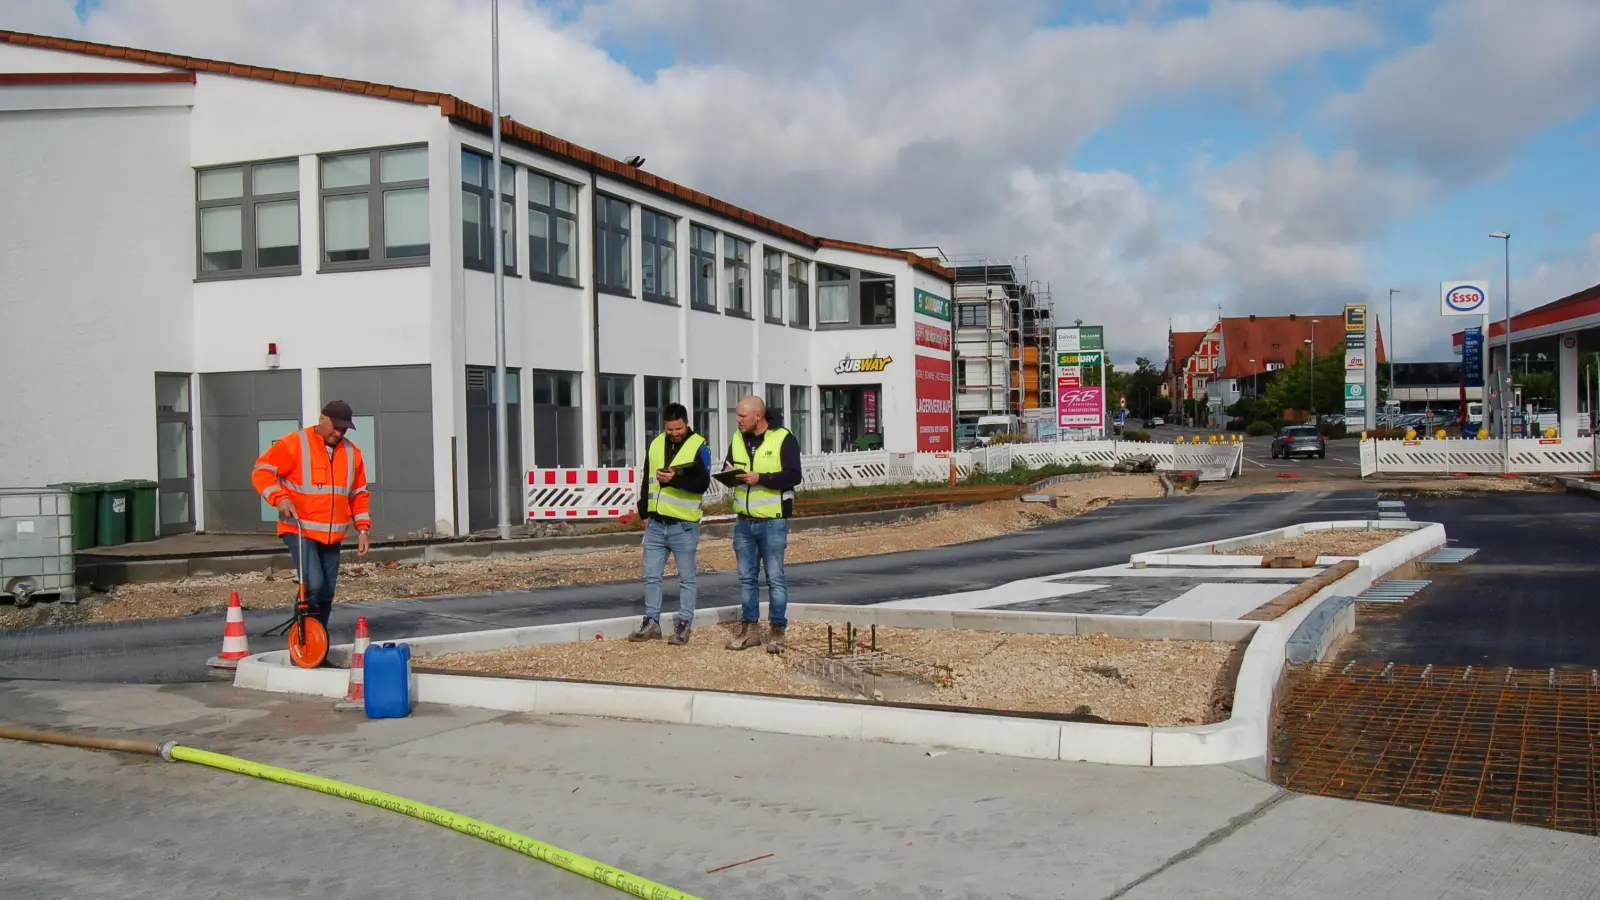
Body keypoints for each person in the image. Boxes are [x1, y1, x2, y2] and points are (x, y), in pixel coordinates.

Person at [251, 400, 372, 635]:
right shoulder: (295, 443)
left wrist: (363, 529)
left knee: (326, 592)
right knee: (314, 584)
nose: (339, 433)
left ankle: (317, 643)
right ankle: (303, 639)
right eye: (335, 427)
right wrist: (279, 497)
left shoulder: (352, 453)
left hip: (333, 534)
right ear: (322, 419)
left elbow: (358, 494)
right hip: (300, 528)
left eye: (344, 430)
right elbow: (262, 471)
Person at [722, 395, 803, 653]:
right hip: (744, 522)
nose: (738, 421)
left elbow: (794, 475)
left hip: (772, 522)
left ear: (758, 416)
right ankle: (750, 629)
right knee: (747, 578)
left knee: (775, 578)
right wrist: (728, 473)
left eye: (742, 416)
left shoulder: (783, 438)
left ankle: (777, 630)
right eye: (737, 416)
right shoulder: (738, 438)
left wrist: (762, 478)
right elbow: (728, 465)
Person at [627, 402, 713, 645]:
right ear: (664, 425)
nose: (675, 433)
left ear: (686, 423)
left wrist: (676, 479)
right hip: (656, 523)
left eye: (679, 428)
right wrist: (644, 511)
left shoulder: (699, 446)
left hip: (683, 525)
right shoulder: (655, 444)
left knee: (686, 578)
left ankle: (684, 624)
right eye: (670, 429)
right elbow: (647, 478)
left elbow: (702, 483)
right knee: (651, 576)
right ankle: (651, 621)